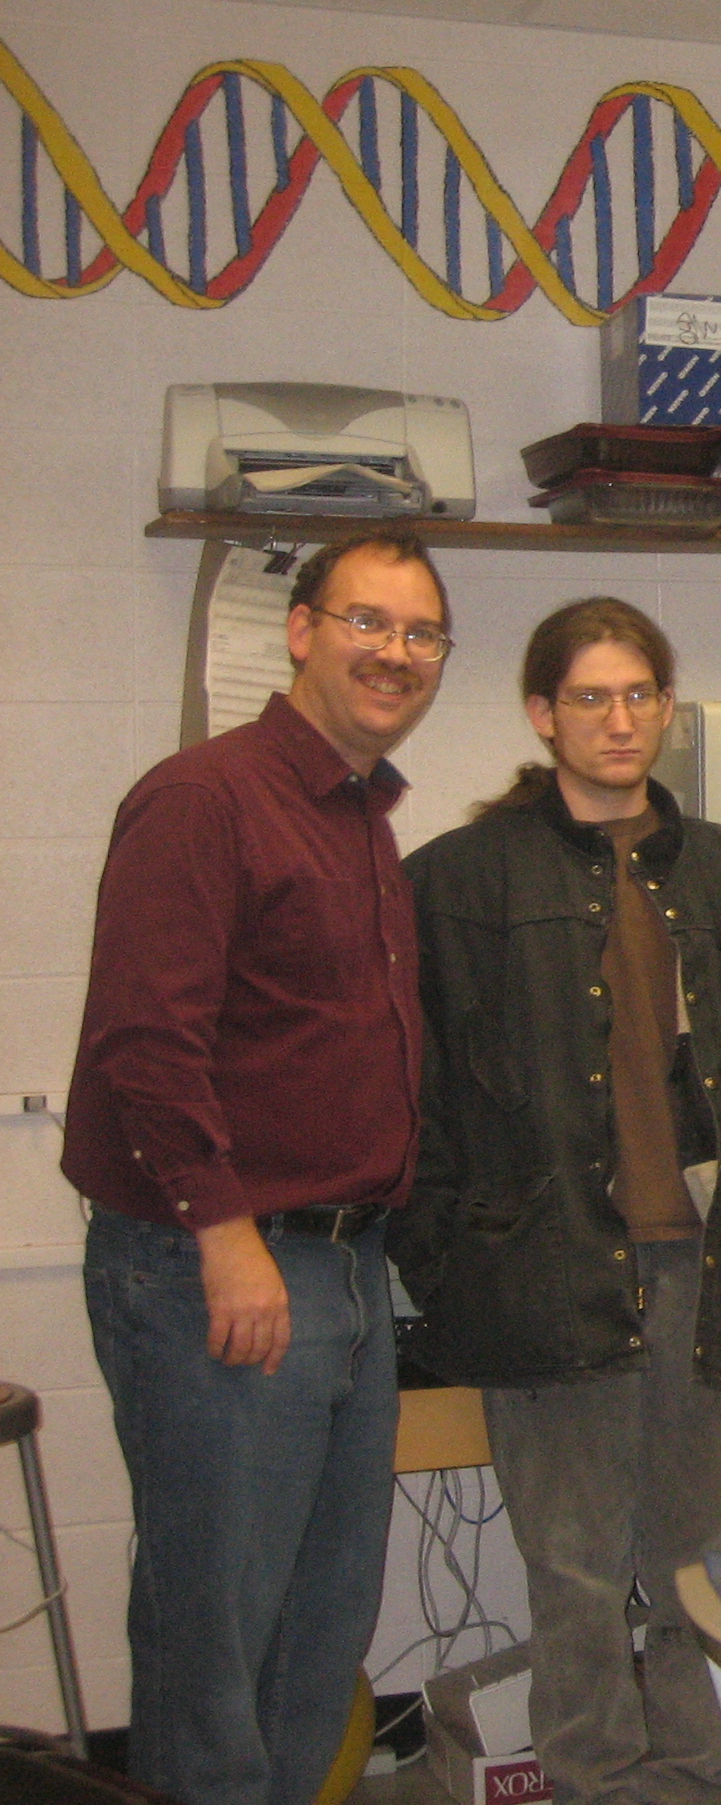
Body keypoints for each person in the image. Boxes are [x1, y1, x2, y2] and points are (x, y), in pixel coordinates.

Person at [391, 598, 721, 1805]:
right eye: (590, 697)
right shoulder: (456, 884)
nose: (618, 719)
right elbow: (415, 1099)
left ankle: (707, 1779)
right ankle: (593, 1784)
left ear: (667, 707)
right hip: (543, 1271)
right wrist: (448, 1262)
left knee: (713, 1570)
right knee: (575, 1574)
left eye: (639, 694)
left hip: (714, 1272)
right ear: (542, 715)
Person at [61, 532, 451, 1805]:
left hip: (343, 1270)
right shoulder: (206, 799)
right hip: (220, 1267)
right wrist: (224, 1238)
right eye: (367, 622)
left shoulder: (358, 817)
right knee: (217, 1641)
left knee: (318, 1632)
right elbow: (143, 1041)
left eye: (422, 634)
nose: (395, 653)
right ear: (301, 629)